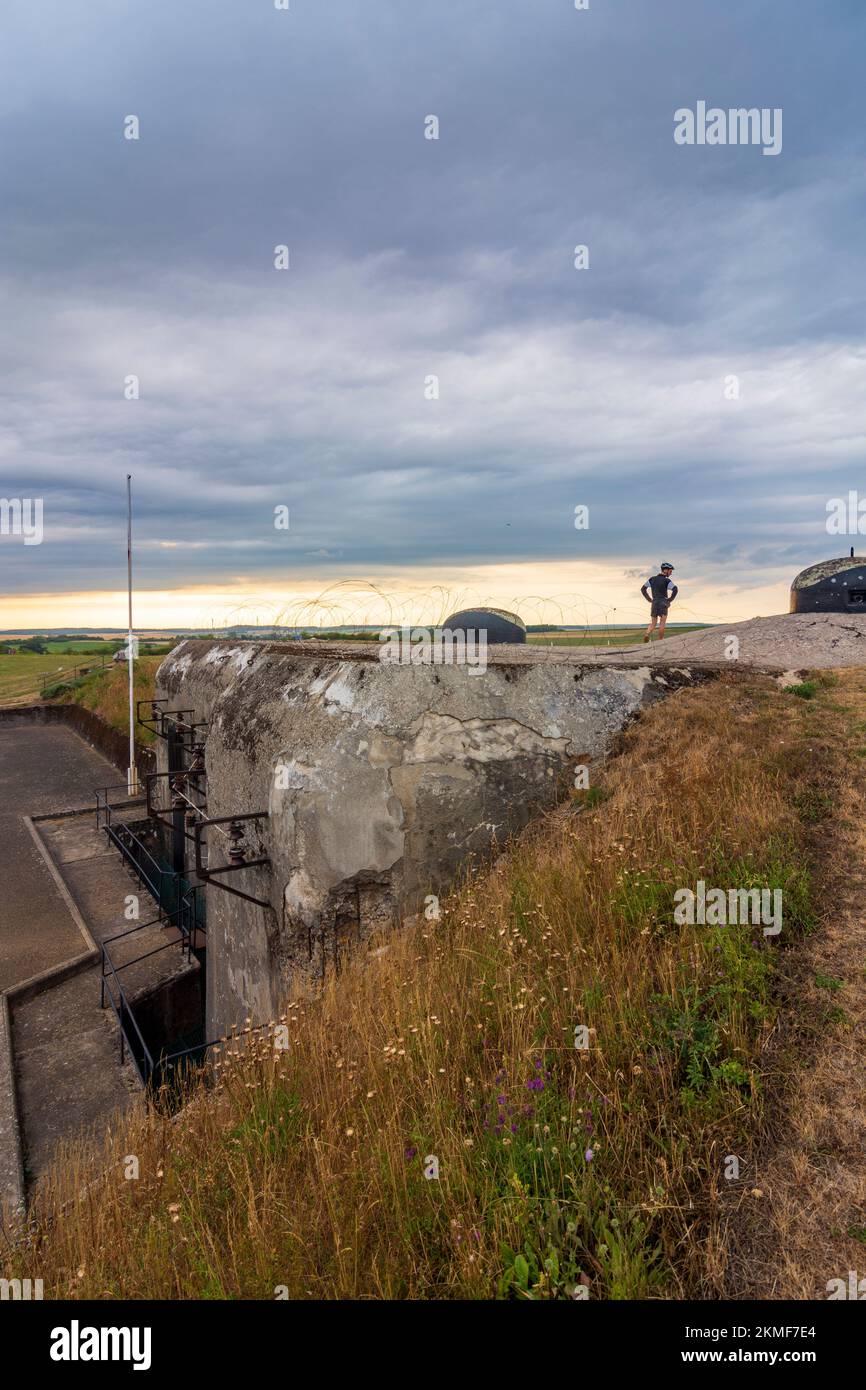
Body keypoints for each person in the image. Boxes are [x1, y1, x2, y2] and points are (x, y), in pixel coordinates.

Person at [641, 563, 678, 641]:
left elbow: (643, 589)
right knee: (662, 622)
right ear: (665, 570)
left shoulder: (652, 579)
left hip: (654, 602)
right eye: (670, 571)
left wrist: (649, 599)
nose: (671, 573)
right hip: (663, 602)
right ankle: (661, 640)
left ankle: (647, 633)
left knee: (653, 623)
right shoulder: (666, 580)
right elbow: (675, 589)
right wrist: (670, 599)